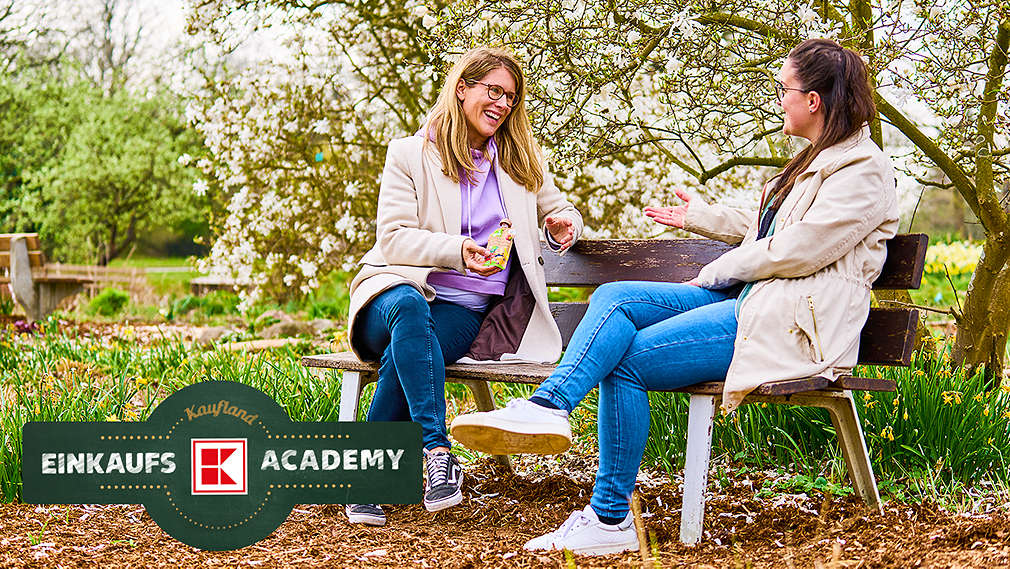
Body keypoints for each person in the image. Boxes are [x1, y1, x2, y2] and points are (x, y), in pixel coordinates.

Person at [450, 38, 899, 555]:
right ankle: (548, 408)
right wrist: (702, 218)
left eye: (784, 89)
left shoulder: (863, 170)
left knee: (626, 363)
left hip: (791, 322)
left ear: (813, 100)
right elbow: (770, 230)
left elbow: (801, 249)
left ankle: (609, 519)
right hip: (754, 302)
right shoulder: (816, 160)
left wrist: (715, 269)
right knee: (618, 296)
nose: (779, 99)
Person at [343, 47, 583, 527]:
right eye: (492, 90)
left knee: (408, 352)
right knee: (411, 312)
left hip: (463, 309)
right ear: (461, 89)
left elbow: (565, 211)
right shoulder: (409, 154)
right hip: (393, 291)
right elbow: (392, 238)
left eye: (510, 97)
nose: (502, 104)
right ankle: (436, 450)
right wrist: (457, 251)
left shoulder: (520, 161)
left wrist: (561, 223)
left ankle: (366, 480)